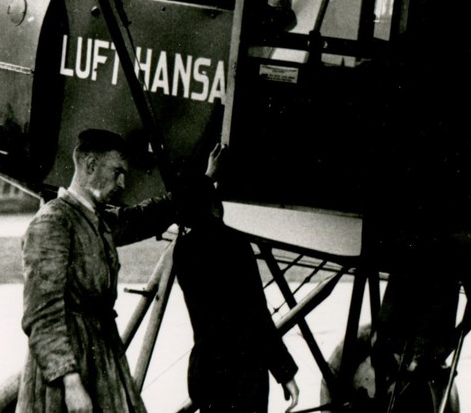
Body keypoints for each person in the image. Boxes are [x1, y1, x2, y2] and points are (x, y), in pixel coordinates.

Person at [17, 130, 219, 413]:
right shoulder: (53, 222)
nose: (122, 183)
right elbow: (42, 314)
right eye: (117, 172)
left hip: (102, 357)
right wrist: (70, 382)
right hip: (68, 372)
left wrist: (205, 180)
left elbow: (145, 217)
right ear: (90, 165)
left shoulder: (96, 221)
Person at [173, 143, 301, 412]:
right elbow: (256, 316)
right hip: (243, 377)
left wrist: (207, 178)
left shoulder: (182, 250)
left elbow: (191, 203)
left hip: (206, 375)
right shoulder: (234, 245)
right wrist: (285, 372)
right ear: (215, 206)